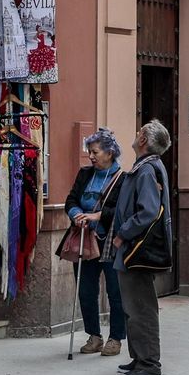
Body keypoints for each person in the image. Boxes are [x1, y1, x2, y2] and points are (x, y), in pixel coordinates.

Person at [111, 120, 173, 375]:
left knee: (140, 308)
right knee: (133, 306)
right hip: (134, 249)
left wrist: (123, 233)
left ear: (144, 140)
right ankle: (139, 358)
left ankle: (148, 363)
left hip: (136, 249)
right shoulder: (147, 167)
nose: (136, 134)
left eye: (140, 131)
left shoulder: (146, 170)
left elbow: (147, 212)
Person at [61, 128, 126, 357]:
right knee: (86, 290)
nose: (91, 156)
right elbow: (71, 199)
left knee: (115, 291)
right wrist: (76, 214)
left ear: (110, 153)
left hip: (110, 242)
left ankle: (116, 338)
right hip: (85, 240)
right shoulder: (85, 174)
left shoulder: (123, 179)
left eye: (95, 152)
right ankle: (94, 336)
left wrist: (98, 216)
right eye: (89, 151)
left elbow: (121, 210)